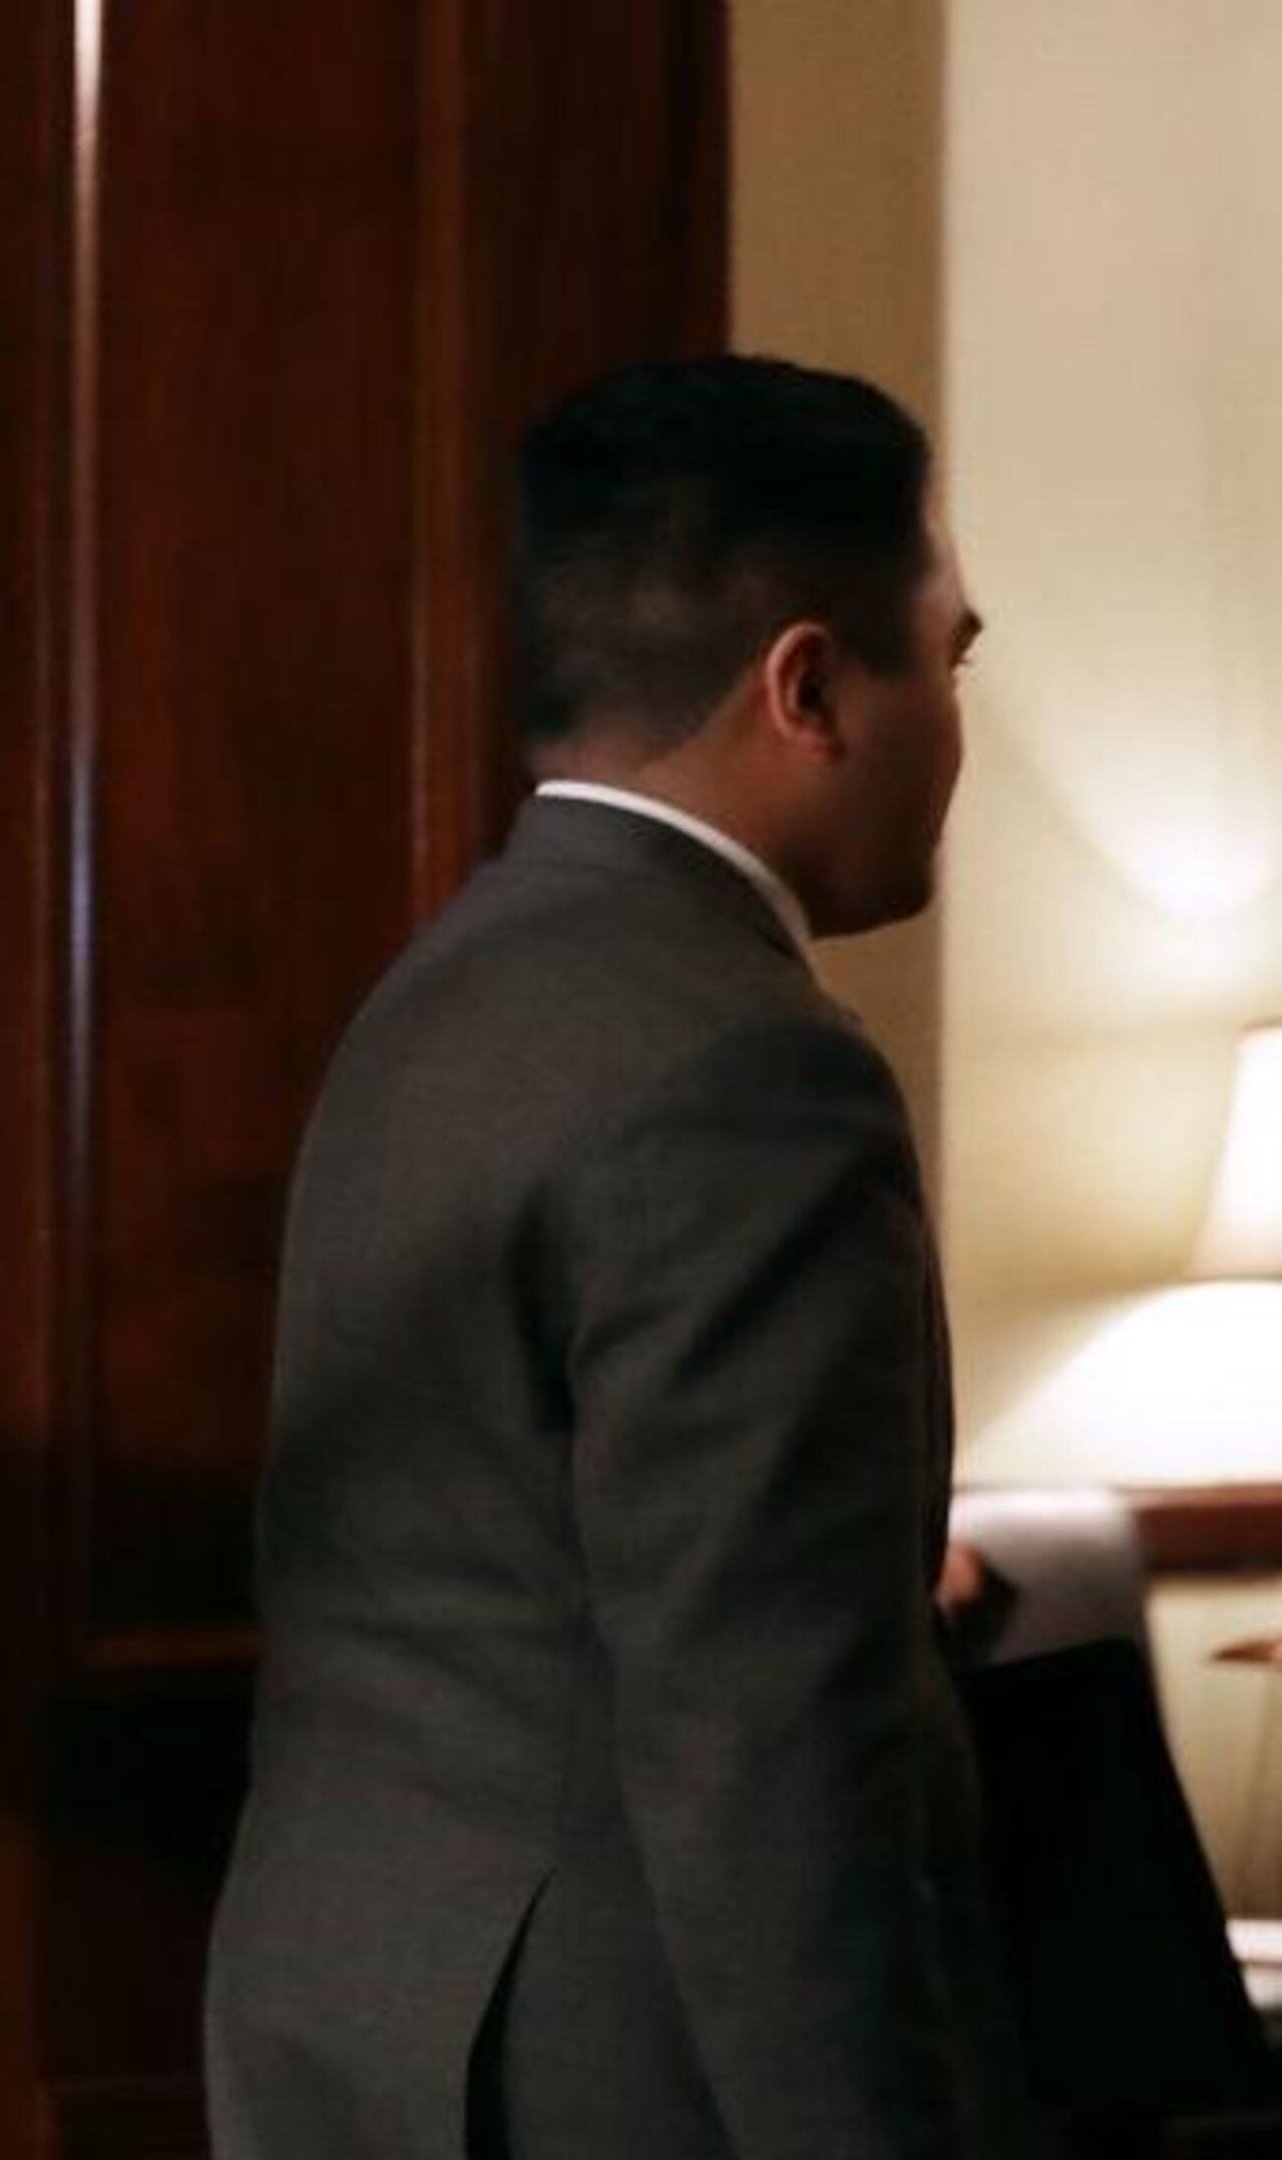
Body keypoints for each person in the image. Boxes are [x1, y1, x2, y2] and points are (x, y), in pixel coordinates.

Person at [202, 355, 1041, 2158]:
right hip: (617, 2073)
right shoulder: (756, 1074)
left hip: (350, 2017)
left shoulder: (442, 990)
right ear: (810, 686)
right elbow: (778, 1771)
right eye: (954, 658)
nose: (965, 722)